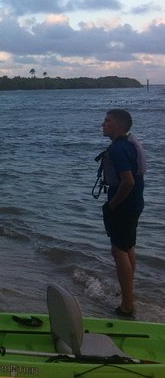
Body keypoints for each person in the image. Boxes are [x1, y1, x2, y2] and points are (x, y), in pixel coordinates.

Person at [100, 109, 146, 318]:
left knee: (119, 249)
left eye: (107, 121)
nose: (103, 124)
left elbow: (128, 181)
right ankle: (127, 292)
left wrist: (113, 204)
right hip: (135, 201)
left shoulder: (119, 149)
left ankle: (127, 304)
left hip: (124, 204)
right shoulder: (128, 143)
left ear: (119, 126)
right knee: (128, 247)